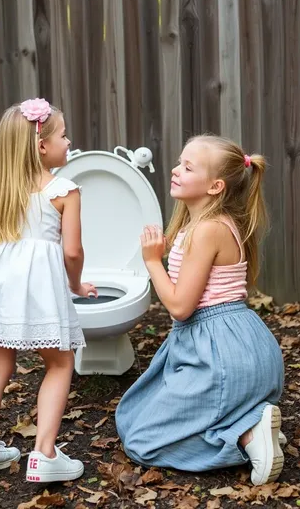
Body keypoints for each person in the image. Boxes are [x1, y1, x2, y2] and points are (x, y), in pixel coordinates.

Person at [115, 134, 285, 486]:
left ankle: (246, 436)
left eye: (188, 167)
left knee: (141, 442)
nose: (176, 170)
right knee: (133, 414)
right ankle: (249, 421)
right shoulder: (213, 224)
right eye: (179, 162)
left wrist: (152, 262)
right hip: (243, 347)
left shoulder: (207, 230)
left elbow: (179, 307)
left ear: (215, 186)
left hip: (219, 358)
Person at [0, 98, 96, 483]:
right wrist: (76, 284)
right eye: (63, 135)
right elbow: (72, 251)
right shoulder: (65, 189)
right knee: (60, 363)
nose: (69, 142)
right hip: (40, 289)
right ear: (41, 145)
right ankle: (44, 454)